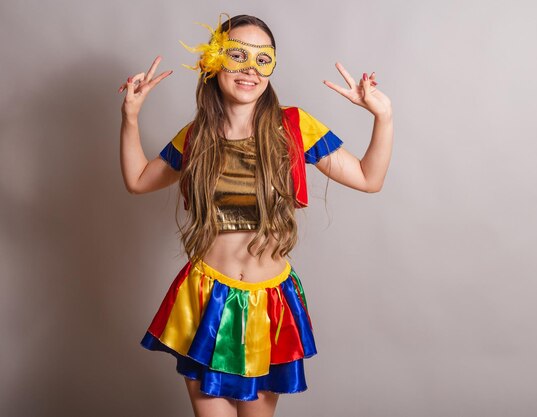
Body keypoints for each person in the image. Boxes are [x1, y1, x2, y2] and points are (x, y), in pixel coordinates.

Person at [118, 13, 392, 417]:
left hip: (270, 306)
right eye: (238, 56)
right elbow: (139, 180)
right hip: (207, 301)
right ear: (214, 63)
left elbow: (370, 179)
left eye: (262, 59)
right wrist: (130, 117)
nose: (250, 69)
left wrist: (382, 116)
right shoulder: (197, 136)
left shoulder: (295, 129)